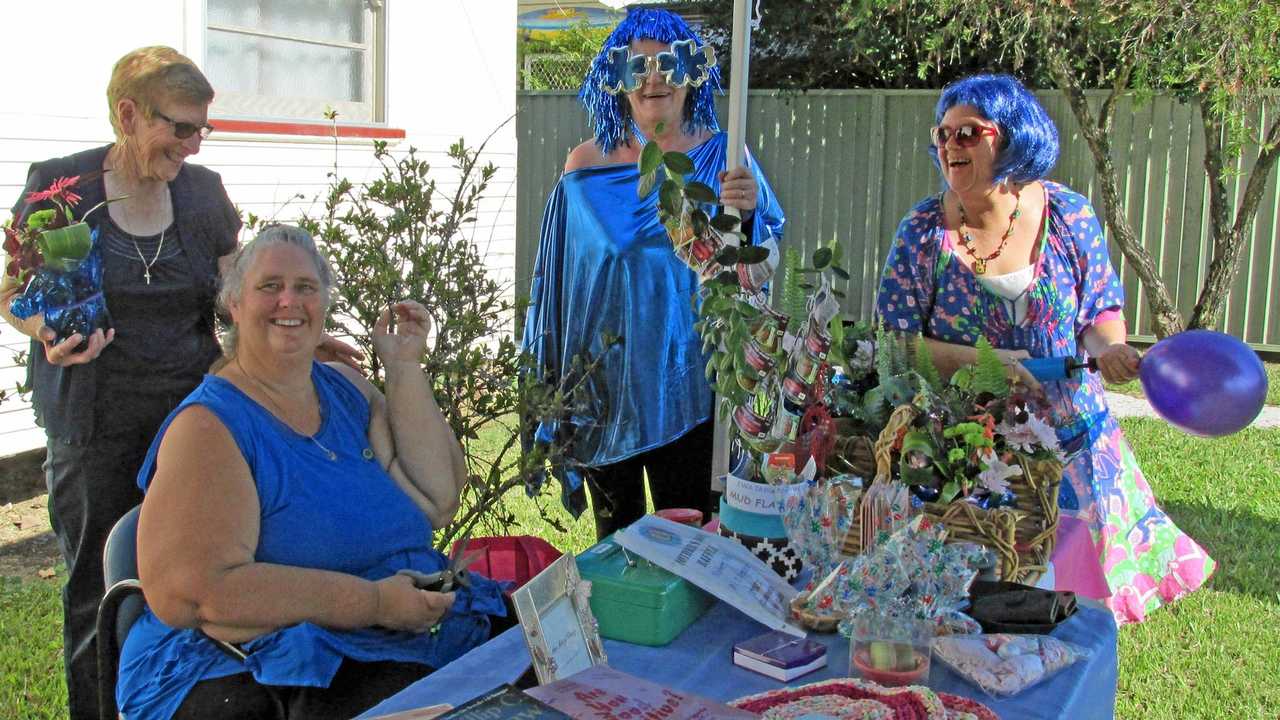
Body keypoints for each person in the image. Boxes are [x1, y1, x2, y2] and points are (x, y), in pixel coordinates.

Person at [0, 47, 360, 720]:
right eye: (180, 128)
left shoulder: (202, 195)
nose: (193, 145)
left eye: (203, 130)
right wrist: (46, 331)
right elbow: (14, 293)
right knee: (99, 591)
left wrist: (292, 336)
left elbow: (234, 298)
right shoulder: (62, 188)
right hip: (95, 421)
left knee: (203, 577)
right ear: (128, 114)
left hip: (196, 419)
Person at [117, 225, 508, 718]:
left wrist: (404, 365)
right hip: (250, 661)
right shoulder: (210, 427)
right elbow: (197, 595)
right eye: (270, 286)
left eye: (306, 288)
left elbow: (437, 496)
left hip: (394, 629)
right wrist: (374, 604)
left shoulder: (344, 388)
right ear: (234, 304)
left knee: (545, 664)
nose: (289, 301)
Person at [876, 74, 1214, 625]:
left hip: (1072, 444)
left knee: (1074, 612)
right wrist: (988, 366)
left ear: (1010, 138)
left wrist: (1111, 349)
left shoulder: (1069, 216)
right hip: (968, 451)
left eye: (968, 133)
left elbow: (1100, 312)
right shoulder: (921, 232)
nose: (949, 146)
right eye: (942, 134)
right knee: (979, 604)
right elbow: (895, 345)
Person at [521, 8, 786, 539]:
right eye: (637, 66)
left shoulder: (724, 157)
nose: (653, 78)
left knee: (690, 544)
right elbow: (561, 287)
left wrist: (751, 214)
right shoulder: (585, 170)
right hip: (604, 394)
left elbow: (761, 268)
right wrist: (554, 387)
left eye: (668, 63)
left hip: (692, 388)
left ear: (692, 73)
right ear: (615, 79)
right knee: (613, 546)